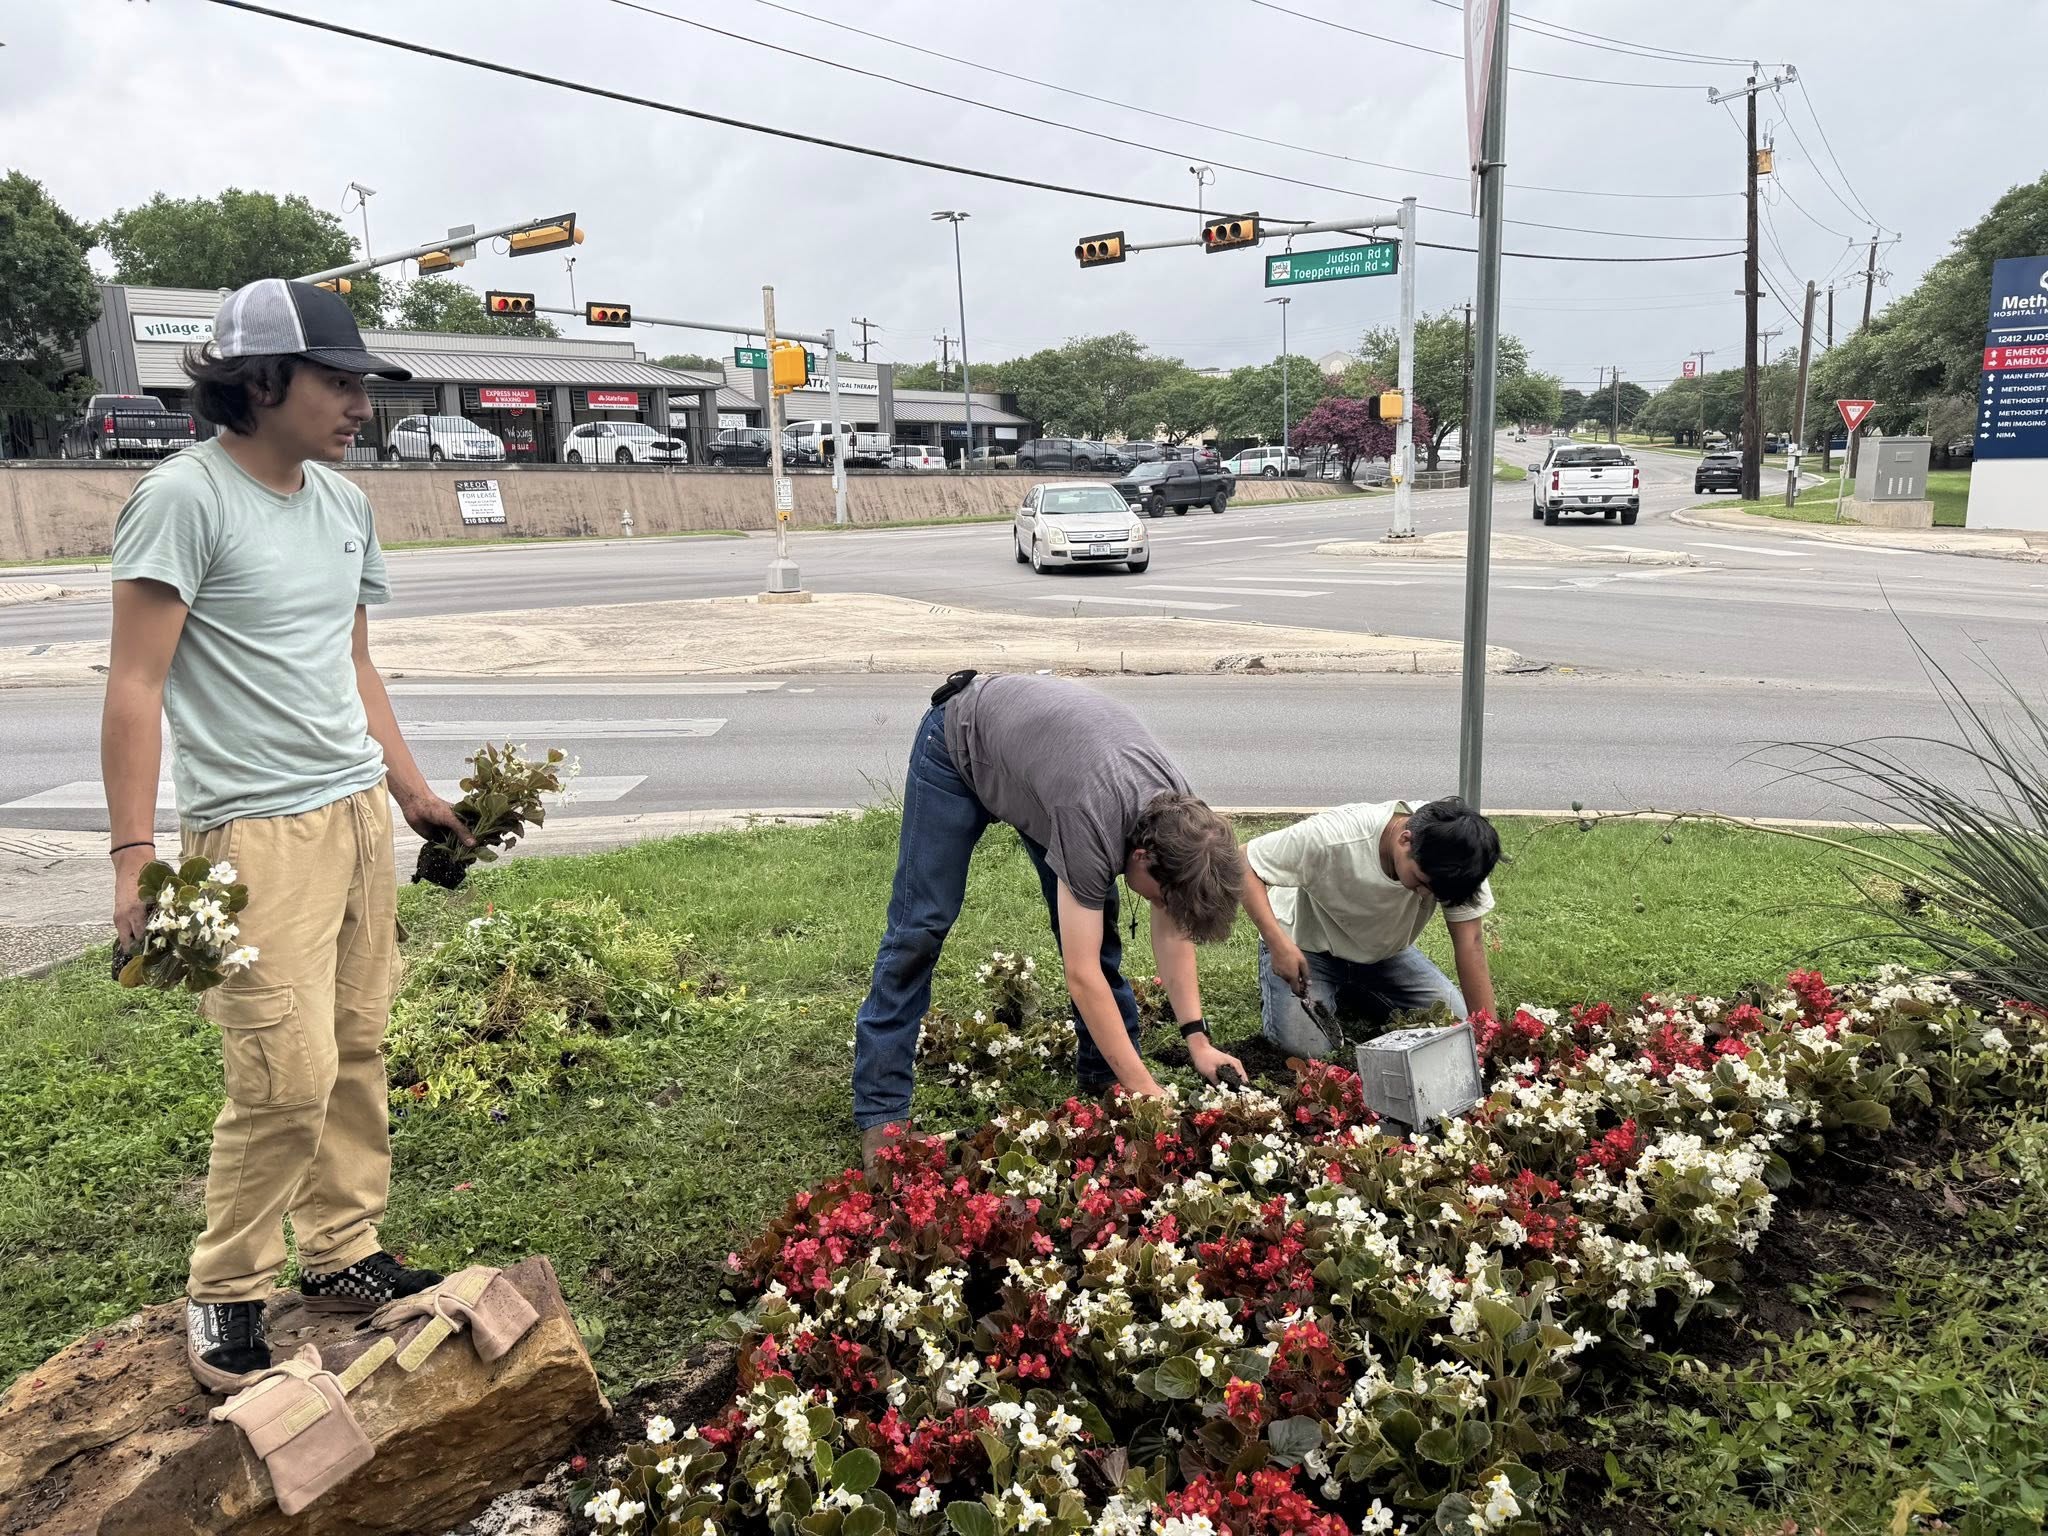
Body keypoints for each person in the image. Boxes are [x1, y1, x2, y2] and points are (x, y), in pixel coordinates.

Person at [101, 279, 475, 1389]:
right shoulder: (183, 498)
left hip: (355, 813)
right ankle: (225, 1287)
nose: (359, 403)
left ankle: (344, 1250)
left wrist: (409, 794)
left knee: (356, 1042)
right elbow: (134, 683)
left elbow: (350, 663)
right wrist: (134, 861)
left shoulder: (341, 504)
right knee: (284, 1070)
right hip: (251, 833)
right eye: (338, 381)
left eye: (363, 384)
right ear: (260, 382)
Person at [853, 671, 1244, 1164]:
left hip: (1046, 771)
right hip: (959, 742)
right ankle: (882, 1108)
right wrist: (1148, 1091)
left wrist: (1198, 1040)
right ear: (1143, 857)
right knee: (920, 927)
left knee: (1095, 929)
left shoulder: (1181, 819)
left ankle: (1107, 1074)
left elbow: (1173, 925)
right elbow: (1081, 977)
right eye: (1161, 898)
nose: (1159, 908)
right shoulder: (1092, 815)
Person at [1237, 797, 1500, 1057]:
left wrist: (1485, 1034)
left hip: (1384, 956)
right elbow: (1243, 862)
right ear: (1405, 840)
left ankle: (1351, 992)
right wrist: (1278, 944)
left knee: (1455, 1024)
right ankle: (1334, 987)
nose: (1423, 894)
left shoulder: (1462, 860)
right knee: (1306, 1049)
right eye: (1421, 882)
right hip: (1305, 947)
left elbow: (1471, 942)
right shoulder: (1335, 835)